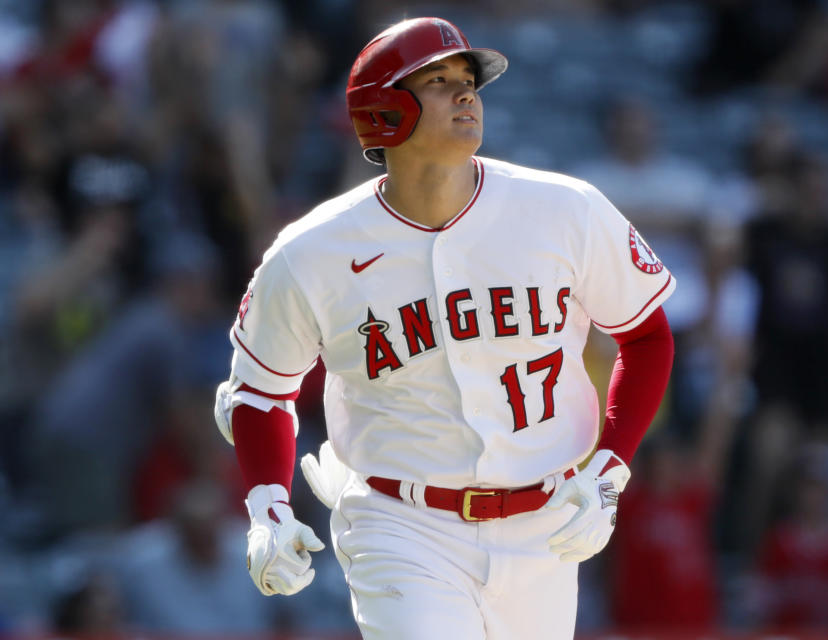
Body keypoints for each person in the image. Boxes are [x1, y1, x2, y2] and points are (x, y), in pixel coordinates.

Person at [213, 17, 675, 640]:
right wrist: (268, 507)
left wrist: (611, 468)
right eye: (438, 81)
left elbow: (647, 337)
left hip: (546, 524)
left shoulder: (565, 209)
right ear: (383, 111)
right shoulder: (311, 252)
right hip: (399, 521)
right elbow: (259, 389)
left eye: (468, 81)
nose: (466, 94)